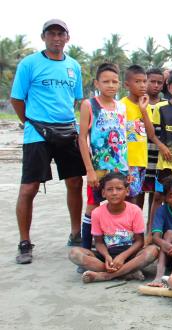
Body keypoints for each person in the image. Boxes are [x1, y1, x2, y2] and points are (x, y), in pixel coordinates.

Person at [11, 19, 85, 264]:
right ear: (43, 37)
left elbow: (76, 100)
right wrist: (30, 122)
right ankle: (24, 242)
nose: (56, 38)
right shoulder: (29, 63)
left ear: (67, 38)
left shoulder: (73, 66)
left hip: (67, 129)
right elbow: (17, 99)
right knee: (29, 187)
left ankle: (76, 234)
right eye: (51, 33)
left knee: (75, 182)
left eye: (60, 34)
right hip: (36, 132)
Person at [68, 172, 158, 283]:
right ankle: (126, 272)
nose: (114, 193)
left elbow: (139, 242)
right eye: (110, 189)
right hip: (107, 257)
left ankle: (106, 275)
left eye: (119, 189)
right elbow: (99, 242)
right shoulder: (97, 213)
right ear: (103, 193)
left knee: (153, 251)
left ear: (127, 191)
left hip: (130, 255)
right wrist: (106, 256)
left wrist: (122, 257)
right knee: (74, 253)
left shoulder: (135, 210)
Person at [78, 63, 129, 251]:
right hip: (99, 167)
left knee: (120, 203)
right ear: (96, 83)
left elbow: (123, 139)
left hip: (120, 167)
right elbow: (82, 138)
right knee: (93, 205)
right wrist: (89, 170)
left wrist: (128, 168)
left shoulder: (121, 107)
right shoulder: (89, 105)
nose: (111, 85)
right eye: (106, 81)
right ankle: (85, 249)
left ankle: (117, 246)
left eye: (115, 81)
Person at [121, 65, 161, 208]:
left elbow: (151, 134)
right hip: (126, 161)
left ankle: (134, 229)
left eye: (144, 81)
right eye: (137, 81)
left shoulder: (144, 105)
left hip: (141, 160)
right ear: (127, 84)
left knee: (135, 196)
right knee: (127, 199)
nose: (143, 85)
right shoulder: (121, 105)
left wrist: (144, 110)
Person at [144, 67, 166, 243]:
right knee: (137, 192)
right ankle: (136, 230)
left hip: (158, 155)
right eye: (152, 81)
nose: (156, 85)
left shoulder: (165, 105)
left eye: (160, 82)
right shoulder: (138, 103)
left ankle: (151, 230)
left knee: (156, 193)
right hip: (141, 155)